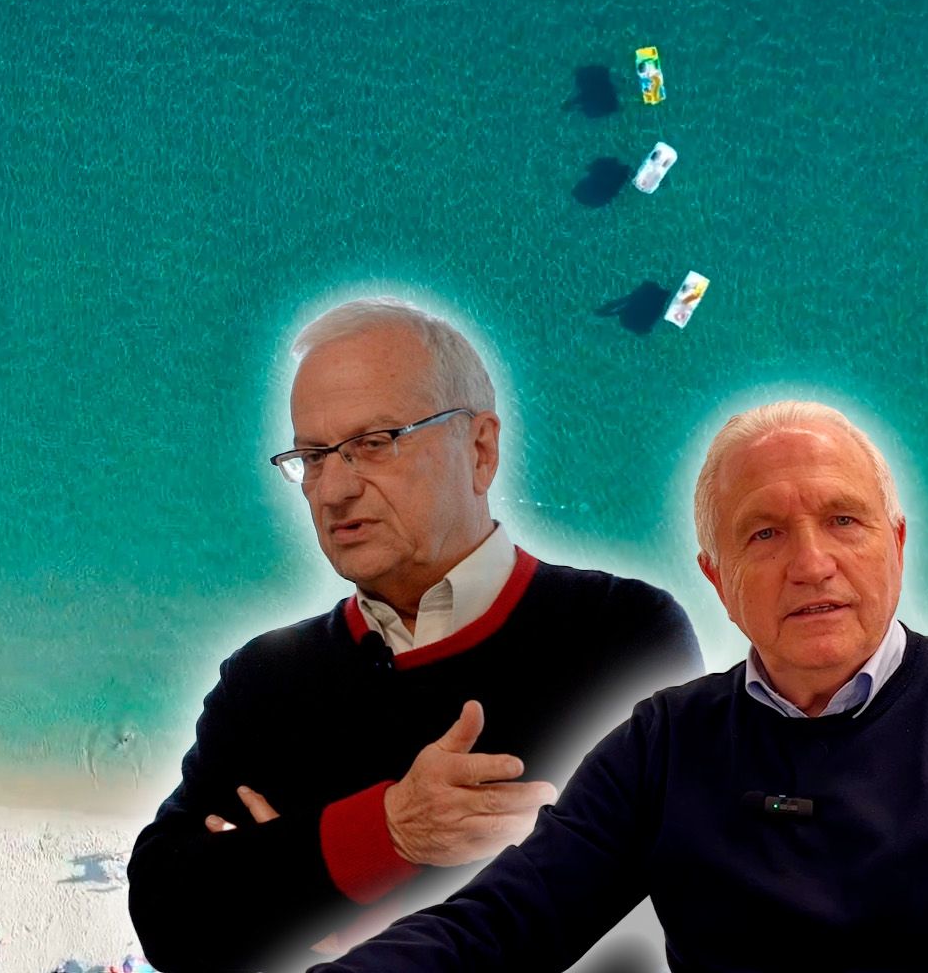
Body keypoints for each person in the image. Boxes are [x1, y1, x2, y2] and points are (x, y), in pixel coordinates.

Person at [312, 400, 928, 972]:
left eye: (843, 520)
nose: (812, 564)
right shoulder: (664, 744)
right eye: (765, 534)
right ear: (717, 578)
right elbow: (501, 923)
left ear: (897, 544)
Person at [126, 298, 703, 972]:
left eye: (374, 443)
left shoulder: (625, 637)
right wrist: (392, 831)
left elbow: (669, 897)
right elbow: (167, 917)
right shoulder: (263, 678)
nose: (332, 490)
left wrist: (301, 891)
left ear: (480, 450)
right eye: (312, 456)